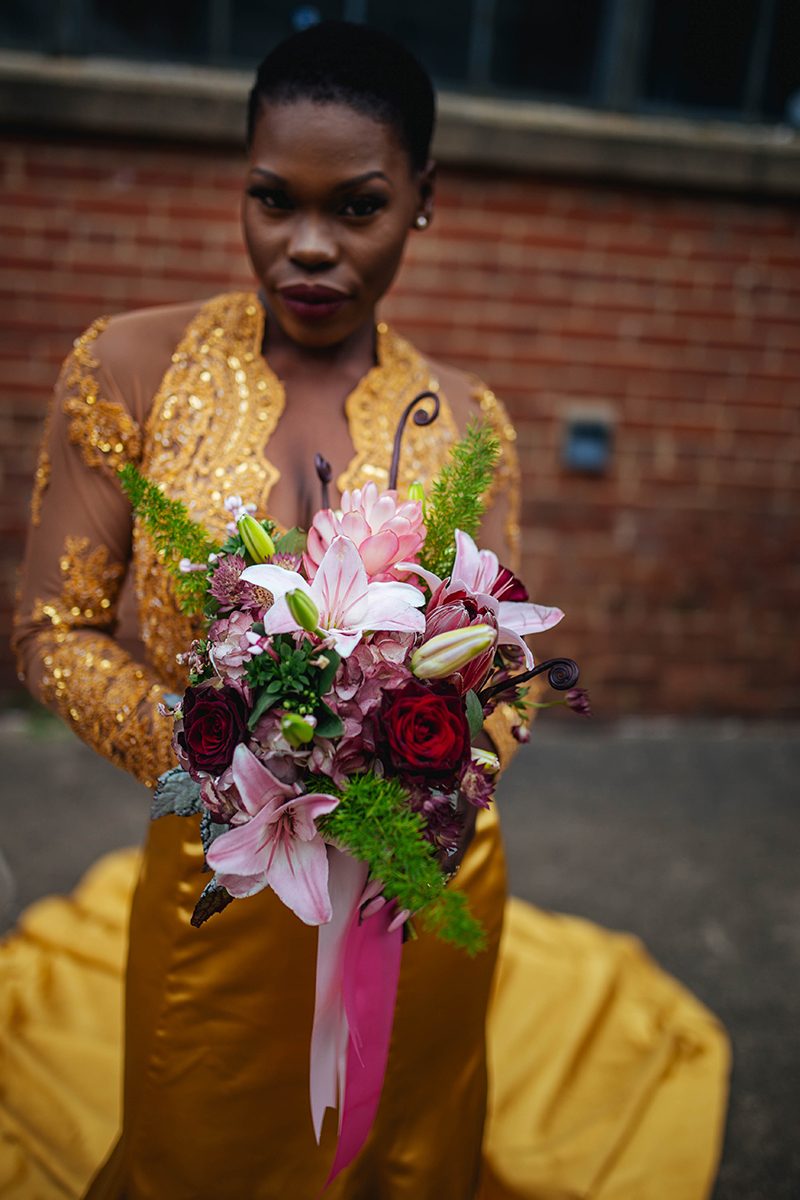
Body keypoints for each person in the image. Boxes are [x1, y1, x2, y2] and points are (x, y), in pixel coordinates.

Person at [8, 21, 728, 1200]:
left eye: (355, 208)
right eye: (270, 199)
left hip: (417, 881)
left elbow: (499, 669)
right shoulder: (126, 367)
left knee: (403, 1151)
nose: (305, 247)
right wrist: (225, 752)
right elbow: (51, 630)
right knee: (202, 1155)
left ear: (420, 201)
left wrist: (428, 772)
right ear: (239, 181)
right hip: (228, 870)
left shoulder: (466, 420)